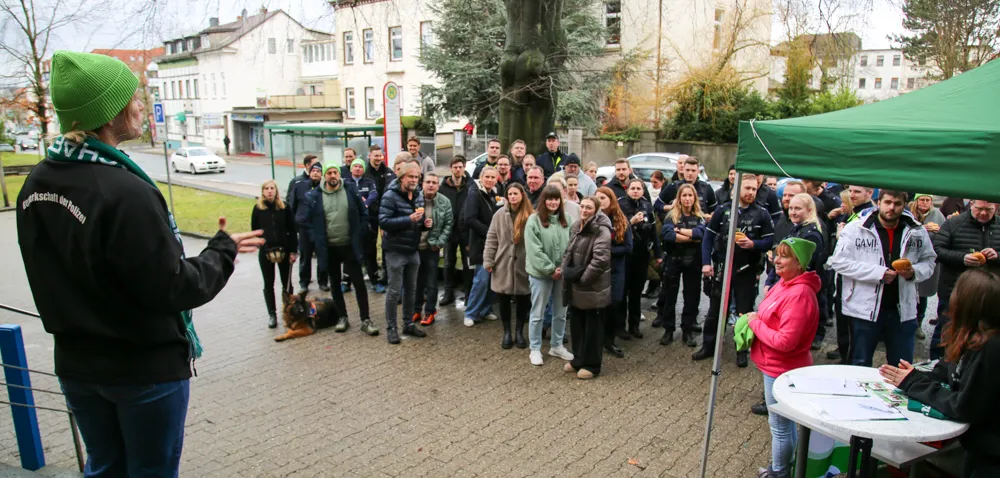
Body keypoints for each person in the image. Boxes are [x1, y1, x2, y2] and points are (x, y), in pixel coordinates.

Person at [16, 50, 265, 476]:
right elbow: (174, 287)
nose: (139, 106)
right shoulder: (124, 192)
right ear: (108, 111)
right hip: (142, 370)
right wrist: (221, 253)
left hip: (77, 366)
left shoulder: (37, 183)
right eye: (132, 97)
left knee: (104, 467)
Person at [879, 269, 1000, 478]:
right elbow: (947, 370)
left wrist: (913, 383)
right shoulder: (971, 335)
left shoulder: (992, 348)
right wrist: (912, 375)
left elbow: (963, 406)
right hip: (978, 450)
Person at [828, 190, 936, 367]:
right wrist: (878, 273)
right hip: (864, 310)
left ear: (904, 205)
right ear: (878, 203)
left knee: (901, 365)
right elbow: (839, 262)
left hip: (903, 310)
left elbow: (929, 261)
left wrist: (913, 272)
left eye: (897, 204)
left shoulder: (916, 230)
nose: (891, 208)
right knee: (859, 364)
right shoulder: (856, 228)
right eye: (887, 202)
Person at [748, 238, 821, 478]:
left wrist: (754, 324)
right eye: (776, 255)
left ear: (799, 263)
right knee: (785, 424)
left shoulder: (799, 294)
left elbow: (785, 341)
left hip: (782, 369)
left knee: (779, 426)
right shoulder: (785, 283)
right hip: (775, 365)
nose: (776, 261)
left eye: (784, 256)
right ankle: (786, 467)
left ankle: (779, 473)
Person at [694, 174, 773, 367]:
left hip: (747, 270)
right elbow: (708, 238)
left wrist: (754, 244)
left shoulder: (762, 214)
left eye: (754, 189)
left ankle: (742, 350)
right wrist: (706, 263)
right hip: (722, 269)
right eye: (747, 188)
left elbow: (770, 241)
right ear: (736, 189)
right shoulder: (722, 211)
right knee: (715, 310)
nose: (751, 192)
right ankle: (709, 346)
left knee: (744, 312)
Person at [298, 164, 379, 337]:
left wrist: (360, 233)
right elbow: (304, 220)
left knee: (359, 283)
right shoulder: (314, 196)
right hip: (329, 248)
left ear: (339, 174)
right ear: (324, 176)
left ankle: (365, 319)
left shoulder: (350, 190)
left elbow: (363, 213)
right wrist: (316, 238)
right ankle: (342, 317)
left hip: (350, 246)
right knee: (335, 284)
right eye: (329, 173)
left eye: (335, 172)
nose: (332, 175)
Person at [930, 199, 1000, 360]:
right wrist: (962, 258)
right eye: (979, 209)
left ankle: (974, 364)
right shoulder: (953, 223)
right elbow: (937, 250)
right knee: (947, 330)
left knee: (986, 334)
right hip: (955, 290)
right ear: (971, 204)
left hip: (992, 293)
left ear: (996, 207)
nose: (983, 213)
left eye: (988, 210)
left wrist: (997, 256)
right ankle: (937, 363)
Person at [764, 193, 827, 352]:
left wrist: (776, 285)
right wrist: (770, 282)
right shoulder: (797, 228)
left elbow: (803, 269)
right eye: (791, 208)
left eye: (797, 208)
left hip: (796, 289)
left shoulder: (811, 234)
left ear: (809, 210)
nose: (792, 212)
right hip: (786, 285)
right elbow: (780, 258)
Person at [378, 162, 431, 344]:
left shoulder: (418, 196)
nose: (414, 180)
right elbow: (384, 222)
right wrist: (408, 219)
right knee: (394, 291)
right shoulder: (390, 196)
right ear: (401, 177)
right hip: (395, 250)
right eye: (411, 177)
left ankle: (408, 324)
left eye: (416, 177)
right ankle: (391, 328)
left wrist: (424, 224)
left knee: (411, 289)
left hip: (412, 249)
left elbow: (417, 221)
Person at [562, 197, 613, 379]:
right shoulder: (577, 226)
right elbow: (568, 251)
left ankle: (592, 365)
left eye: (589, 208)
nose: (584, 210)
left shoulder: (602, 230)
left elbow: (601, 260)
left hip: (592, 287)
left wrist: (583, 279)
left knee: (593, 329)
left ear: (596, 210)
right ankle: (578, 359)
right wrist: (566, 270)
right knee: (577, 326)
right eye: (582, 206)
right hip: (576, 285)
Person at [525, 185, 575, 365]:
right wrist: (550, 269)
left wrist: (562, 267)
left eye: (556, 199)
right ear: (543, 200)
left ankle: (557, 345)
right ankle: (535, 348)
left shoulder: (567, 219)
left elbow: (572, 245)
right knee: (538, 312)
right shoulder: (533, 220)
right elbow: (534, 250)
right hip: (540, 274)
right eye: (549, 199)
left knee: (561, 312)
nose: (553, 202)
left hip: (562, 274)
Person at [484, 183, 534, 349]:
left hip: (523, 263)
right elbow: (492, 238)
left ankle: (519, 331)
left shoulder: (530, 215)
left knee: (523, 298)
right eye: (510, 194)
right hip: (503, 262)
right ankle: (507, 332)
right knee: (503, 299)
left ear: (522, 195)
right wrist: (488, 260)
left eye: (515, 193)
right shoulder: (499, 215)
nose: (512, 197)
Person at [657, 183, 706, 347]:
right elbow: (668, 235)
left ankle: (687, 330)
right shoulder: (671, 216)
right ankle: (668, 330)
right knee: (669, 296)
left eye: (690, 195)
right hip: (674, 260)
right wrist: (690, 237)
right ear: (679, 198)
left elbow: (701, 233)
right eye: (684, 195)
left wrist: (680, 231)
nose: (687, 198)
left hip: (694, 262)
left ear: (694, 198)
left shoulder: (699, 217)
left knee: (691, 297)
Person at [252, 180, 298, 329]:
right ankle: (272, 314)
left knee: (287, 283)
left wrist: (293, 251)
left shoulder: (285, 207)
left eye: (272, 188)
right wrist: (262, 246)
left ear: (276, 191)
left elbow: (292, 230)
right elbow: (255, 231)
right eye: (266, 188)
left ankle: (289, 310)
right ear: (263, 191)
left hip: (284, 250)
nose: (269, 191)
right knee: (268, 283)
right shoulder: (258, 209)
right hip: (266, 252)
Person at [619, 178, 659, 340]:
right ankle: (620, 326)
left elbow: (653, 231)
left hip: (642, 254)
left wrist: (658, 254)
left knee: (636, 292)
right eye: (633, 188)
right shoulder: (621, 204)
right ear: (627, 190)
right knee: (622, 292)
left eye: (638, 189)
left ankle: (634, 325)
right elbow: (617, 229)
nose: (635, 191)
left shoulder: (647, 205)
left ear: (643, 191)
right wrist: (631, 222)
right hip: (625, 254)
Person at [463, 166, 503, 326]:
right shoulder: (475, 194)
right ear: (481, 177)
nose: (490, 180)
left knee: (493, 280)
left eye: (493, 177)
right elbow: (469, 219)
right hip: (480, 244)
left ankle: (485, 310)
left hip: (494, 244)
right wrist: (490, 232)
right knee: (481, 280)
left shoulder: (493, 194)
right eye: (487, 177)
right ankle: (471, 313)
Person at [596, 187, 632, 358]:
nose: (600, 201)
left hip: (616, 270)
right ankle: (597, 339)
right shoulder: (591, 219)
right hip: (597, 270)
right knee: (598, 307)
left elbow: (628, 247)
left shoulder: (621, 221)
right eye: (597, 198)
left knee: (614, 305)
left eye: (603, 197)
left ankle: (609, 340)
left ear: (611, 200)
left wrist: (608, 251)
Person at [413, 173, 453, 326]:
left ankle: (430, 311)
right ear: (422, 184)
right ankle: (416, 310)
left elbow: (448, 224)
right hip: (416, 246)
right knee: (416, 281)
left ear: (438, 185)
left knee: (431, 282)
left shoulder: (445, 202)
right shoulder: (414, 198)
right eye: (428, 182)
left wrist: (439, 243)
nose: (431, 185)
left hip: (432, 247)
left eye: (434, 183)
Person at [288, 158, 328, 293]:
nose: (315, 173)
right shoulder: (299, 186)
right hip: (304, 228)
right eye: (313, 171)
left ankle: (323, 281)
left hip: (319, 228)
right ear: (309, 173)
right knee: (305, 256)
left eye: (318, 171)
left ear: (322, 175)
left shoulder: (324, 188)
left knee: (322, 256)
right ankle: (304, 282)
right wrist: (294, 224)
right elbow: (292, 206)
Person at [910, 194, 945, 340]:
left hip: (927, 259)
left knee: (922, 294)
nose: (925, 203)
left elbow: (945, 234)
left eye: (928, 200)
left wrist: (939, 231)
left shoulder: (937, 215)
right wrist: (922, 228)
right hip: (910, 258)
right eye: (922, 200)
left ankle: (918, 323)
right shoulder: (909, 213)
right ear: (916, 201)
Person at [344, 157, 381, 292]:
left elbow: (373, 194)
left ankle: (375, 281)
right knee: (349, 253)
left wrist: (365, 203)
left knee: (369, 253)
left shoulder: (369, 182)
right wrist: (358, 201)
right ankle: (345, 282)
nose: (358, 168)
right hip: (350, 223)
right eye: (355, 166)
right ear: (351, 168)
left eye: (360, 166)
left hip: (366, 222)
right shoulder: (345, 182)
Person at [439, 156, 472, 306]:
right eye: (455, 167)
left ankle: (468, 294)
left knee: (467, 263)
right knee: (448, 262)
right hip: (449, 230)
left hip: (466, 231)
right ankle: (448, 292)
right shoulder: (443, 188)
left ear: (464, 168)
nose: (458, 170)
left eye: (460, 167)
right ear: (450, 168)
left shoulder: (470, 186)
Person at [363, 145, 395, 292]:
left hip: (385, 213)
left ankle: (386, 276)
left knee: (386, 245)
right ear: (369, 156)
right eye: (375, 155)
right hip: (370, 215)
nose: (378, 158)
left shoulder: (388, 172)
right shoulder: (365, 173)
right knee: (370, 247)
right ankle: (374, 277)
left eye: (380, 156)